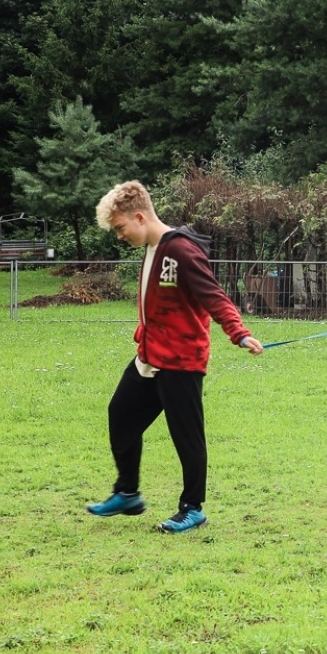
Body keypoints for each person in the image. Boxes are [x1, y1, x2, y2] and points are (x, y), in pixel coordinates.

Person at [85, 180, 264, 534]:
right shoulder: (153, 247)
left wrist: (239, 333)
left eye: (121, 228)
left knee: (187, 436)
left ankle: (192, 508)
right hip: (150, 356)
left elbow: (213, 295)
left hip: (182, 359)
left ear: (139, 217)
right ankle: (127, 493)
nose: (120, 236)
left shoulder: (180, 250)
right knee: (120, 415)